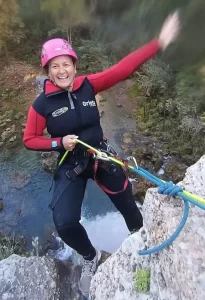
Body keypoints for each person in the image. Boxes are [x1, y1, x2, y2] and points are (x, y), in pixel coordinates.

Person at [23, 12, 180, 296]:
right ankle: (90, 256)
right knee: (65, 222)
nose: (61, 71)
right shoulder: (41, 105)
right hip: (71, 165)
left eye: (66, 64)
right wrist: (58, 143)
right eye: (55, 66)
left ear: (74, 65)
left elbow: (122, 69)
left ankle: (142, 244)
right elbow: (29, 140)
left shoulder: (88, 86)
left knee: (131, 210)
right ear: (47, 70)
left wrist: (158, 43)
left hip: (101, 158)